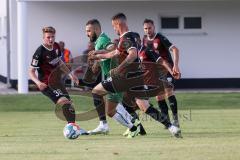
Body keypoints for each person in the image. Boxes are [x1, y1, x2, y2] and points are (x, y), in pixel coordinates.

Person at [89, 13, 181, 137]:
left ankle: (106, 125)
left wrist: (118, 69)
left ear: (118, 24)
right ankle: (171, 127)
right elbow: (115, 53)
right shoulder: (135, 36)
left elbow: (132, 54)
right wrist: (98, 55)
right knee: (144, 106)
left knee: (96, 92)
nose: (114, 29)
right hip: (137, 77)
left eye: (114, 26)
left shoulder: (125, 39)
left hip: (124, 77)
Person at [85, 19, 145, 137]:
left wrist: (97, 53)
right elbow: (110, 54)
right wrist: (97, 60)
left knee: (106, 103)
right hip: (116, 76)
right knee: (119, 106)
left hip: (116, 77)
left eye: (88, 31)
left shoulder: (102, 39)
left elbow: (112, 49)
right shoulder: (99, 40)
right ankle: (137, 127)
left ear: (96, 29)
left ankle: (127, 127)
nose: (87, 34)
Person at [29, 26, 80, 128]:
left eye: (52, 37)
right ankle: (71, 127)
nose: (51, 39)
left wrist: (70, 74)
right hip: (46, 84)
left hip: (57, 82)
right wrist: (38, 83)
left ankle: (73, 127)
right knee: (64, 102)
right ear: (43, 38)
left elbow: (60, 62)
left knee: (70, 105)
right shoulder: (39, 52)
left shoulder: (56, 46)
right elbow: (31, 71)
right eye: (48, 37)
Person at [142, 19, 181, 129]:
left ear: (154, 27)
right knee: (159, 97)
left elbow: (175, 49)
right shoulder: (144, 40)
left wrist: (175, 65)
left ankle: (176, 120)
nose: (148, 30)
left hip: (166, 69)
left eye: (150, 28)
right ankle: (167, 121)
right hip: (155, 72)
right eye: (145, 28)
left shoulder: (160, 38)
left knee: (168, 92)